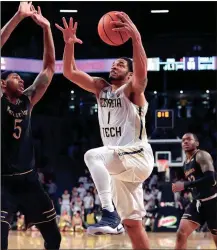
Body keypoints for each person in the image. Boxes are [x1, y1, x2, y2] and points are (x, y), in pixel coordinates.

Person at [56, 12, 154, 249]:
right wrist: (69, 45)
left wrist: (136, 38)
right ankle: (117, 220)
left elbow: (141, 76)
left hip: (137, 154)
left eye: (120, 64)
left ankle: (109, 213)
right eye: (113, 64)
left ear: (129, 74)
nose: (114, 66)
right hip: (120, 165)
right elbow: (69, 72)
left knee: (92, 155)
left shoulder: (132, 91)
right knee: (133, 224)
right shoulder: (101, 88)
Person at [1, 2, 61, 249]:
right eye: (15, 76)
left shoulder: (28, 99)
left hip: (29, 181)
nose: (21, 78)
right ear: (3, 84)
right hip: (2, 182)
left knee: (54, 239)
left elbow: (48, 68)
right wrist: (18, 16)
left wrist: (46, 29)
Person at [172, 133, 217, 249]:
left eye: (189, 139)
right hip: (197, 203)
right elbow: (194, 183)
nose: (185, 142)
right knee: (181, 233)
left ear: (197, 143)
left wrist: (185, 184)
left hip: (213, 203)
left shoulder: (201, 155)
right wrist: (180, 186)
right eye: (183, 140)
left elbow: (211, 179)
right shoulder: (185, 163)